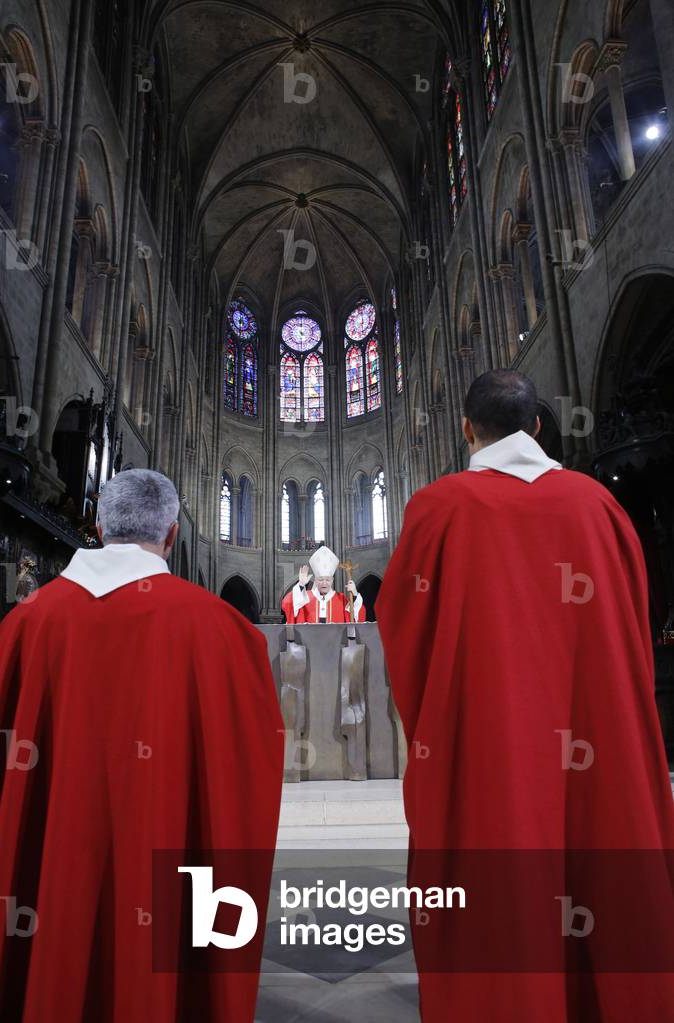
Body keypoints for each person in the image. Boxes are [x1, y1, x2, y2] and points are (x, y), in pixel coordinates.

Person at [376, 369, 674, 1022]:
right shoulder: (598, 507)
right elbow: (636, 636)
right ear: (538, 425)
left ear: (465, 430)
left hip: (493, 770)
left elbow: (405, 642)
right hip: (599, 766)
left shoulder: (437, 510)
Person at [0, 469, 284, 1023]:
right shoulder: (224, 631)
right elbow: (250, 768)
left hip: (47, 891)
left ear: (98, 526)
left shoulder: (26, 624)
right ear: (173, 536)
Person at [281, 544, 366, 623]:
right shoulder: (305, 598)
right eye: (321, 580)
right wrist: (301, 585)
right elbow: (287, 604)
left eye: (327, 580)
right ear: (316, 580)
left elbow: (356, 616)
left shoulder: (341, 598)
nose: (324, 583)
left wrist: (354, 595)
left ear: (332, 580)